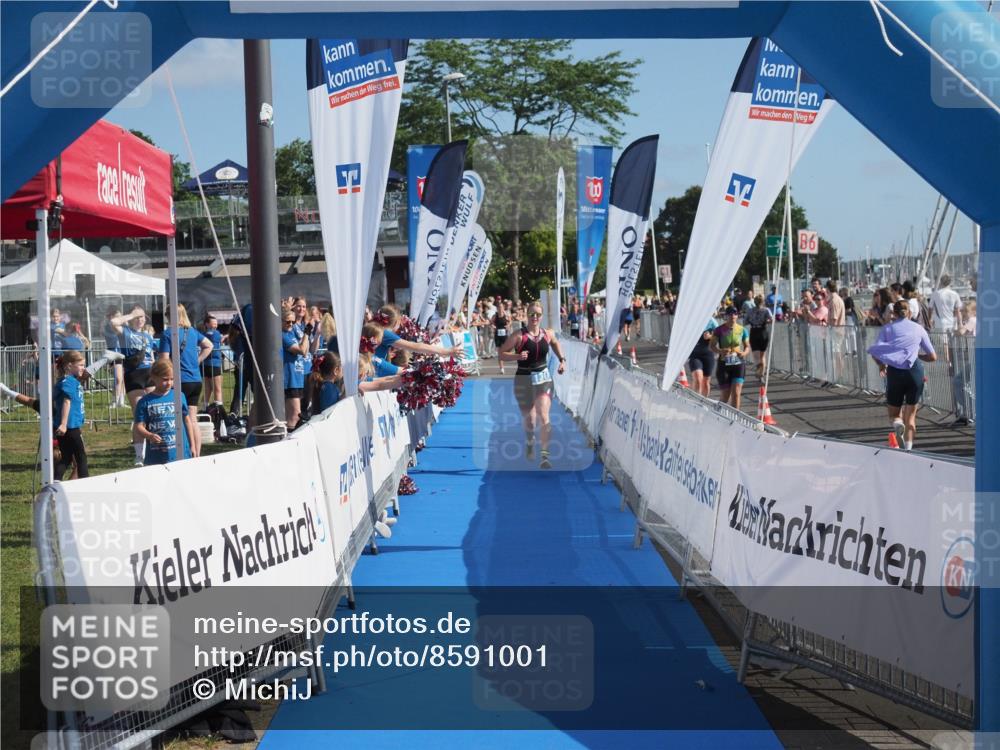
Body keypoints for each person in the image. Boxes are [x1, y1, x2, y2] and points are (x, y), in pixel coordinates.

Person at [498, 301, 566, 469]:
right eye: (532, 314)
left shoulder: (547, 333)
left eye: (538, 314)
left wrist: (562, 360)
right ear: (526, 315)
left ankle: (545, 456)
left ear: (541, 316)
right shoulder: (518, 335)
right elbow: (501, 354)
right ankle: (530, 440)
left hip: (543, 379)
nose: (535, 317)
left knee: (544, 415)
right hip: (523, 380)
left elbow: (555, 343)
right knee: (531, 421)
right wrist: (517, 356)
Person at [867, 300, 937, 451]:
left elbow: (875, 352)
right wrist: (918, 356)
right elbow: (933, 357)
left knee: (894, 415)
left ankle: (899, 431)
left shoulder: (887, 329)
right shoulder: (919, 328)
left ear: (894, 313)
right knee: (911, 417)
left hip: (895, 372)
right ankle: (908, 449)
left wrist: (881, 365)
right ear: (909, 313)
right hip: (915, 372)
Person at [158, 304, 213, 455]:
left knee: (181, 419)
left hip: (179, 380)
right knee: (193, 419)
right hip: (195, 380)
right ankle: (197, 453)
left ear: (169, 315)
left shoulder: (168, 334)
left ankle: (183, 450)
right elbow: (209, 345)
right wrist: (197, 361)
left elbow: (164, 361)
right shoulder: (192, 332)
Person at [133, 359, 197, 465]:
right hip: (156, 456)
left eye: (172, 379)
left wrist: (192, 445)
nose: (169, 383)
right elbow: (139, 426)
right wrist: (149, 435)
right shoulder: (144, 402)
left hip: (181, 453)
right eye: (165, 379)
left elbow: (187, 421)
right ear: (154, 377)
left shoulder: (179, 396)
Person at [52, 351, 89, 480]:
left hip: (70, 424)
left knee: (66, 456)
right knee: (81, 457)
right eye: (81, 365)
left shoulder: (71, 381)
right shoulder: (68, 382)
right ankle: (85, 483)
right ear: (69, 366)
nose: (83, 368)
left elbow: (75, 404)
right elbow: (66, 402)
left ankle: (56, 481)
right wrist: (63, 424)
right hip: (69, 426)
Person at [710, 307, 751, 410]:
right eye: (730, 314)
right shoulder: (719, 330)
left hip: (738, 364)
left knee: (736, 393)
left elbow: (747, 346)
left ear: (737, 316)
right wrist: (720, 351)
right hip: (724, 364)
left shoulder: (742, 330)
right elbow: (712, 346)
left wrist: (744, 353)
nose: (733, 316)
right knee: (725, 395)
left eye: (735, 313)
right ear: (726, 316)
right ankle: (717, 414)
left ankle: (735, 417)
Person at [281, 310, 309, 430]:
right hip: (290, 378)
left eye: (293, 322)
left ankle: (286, 435)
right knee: (295, 415)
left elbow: (305, 352)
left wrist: (305, 335)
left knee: (292, 414)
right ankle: (289, 437)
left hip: (297, 377)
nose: (291, 324)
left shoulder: (291, 334)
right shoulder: (283, 335)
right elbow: (302, 350)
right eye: (288, 322)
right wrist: (306, 334)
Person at [687, 318, 718, 397]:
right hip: (694, 354)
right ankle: (694, 401)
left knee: (706, 382)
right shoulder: (690, 318)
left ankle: (703, 402)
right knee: (698, 378)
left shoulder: (712, 321)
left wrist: (710, 336)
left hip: (708, 354)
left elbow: (720, 336)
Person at [103, 306, 126, 407]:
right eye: (117, 316)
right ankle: (114, 401)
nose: (119, 319)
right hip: (114, 354)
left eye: (120, 316)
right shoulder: (108, 326)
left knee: (123, 378)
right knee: (118, 378)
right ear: (111, 317)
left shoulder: (123, 327)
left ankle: (121, 401)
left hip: (123, 352)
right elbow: (113, 335)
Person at [744, 296, 773, 376]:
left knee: (756, 355)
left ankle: (760, 371)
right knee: (762, 355)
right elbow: (772, 319)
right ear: (763, 302)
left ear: (754, 302)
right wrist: (766, 320)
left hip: (755, 331)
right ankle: (762, 372)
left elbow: (745, 322)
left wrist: (752, 320)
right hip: (762, 332)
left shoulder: (750, 311)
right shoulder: (766, 310)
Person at [201, 314, 224, 408]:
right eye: (213, 323)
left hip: (205, 364)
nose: (215, 325)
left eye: (216, 323)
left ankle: (204, 407)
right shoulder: (216, 333)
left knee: (207, 389)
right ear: (207, 324)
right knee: (217, 389)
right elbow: (217, 341)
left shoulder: (203, 335)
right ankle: (219, 410)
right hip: (214, 364)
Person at [492, 304, 512, 375]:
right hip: (497, 335)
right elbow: (491, 322)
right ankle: (502, 368)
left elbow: (510, 321)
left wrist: (508, 325)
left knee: (505, 351)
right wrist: (493, 326)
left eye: (501, 307)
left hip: (504, 335)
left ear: (503, 308)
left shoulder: (506, 315)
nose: (500, 309)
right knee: (499, 352)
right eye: (499, 307)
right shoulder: (495, 316)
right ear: (497, 308)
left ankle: (505, 358)